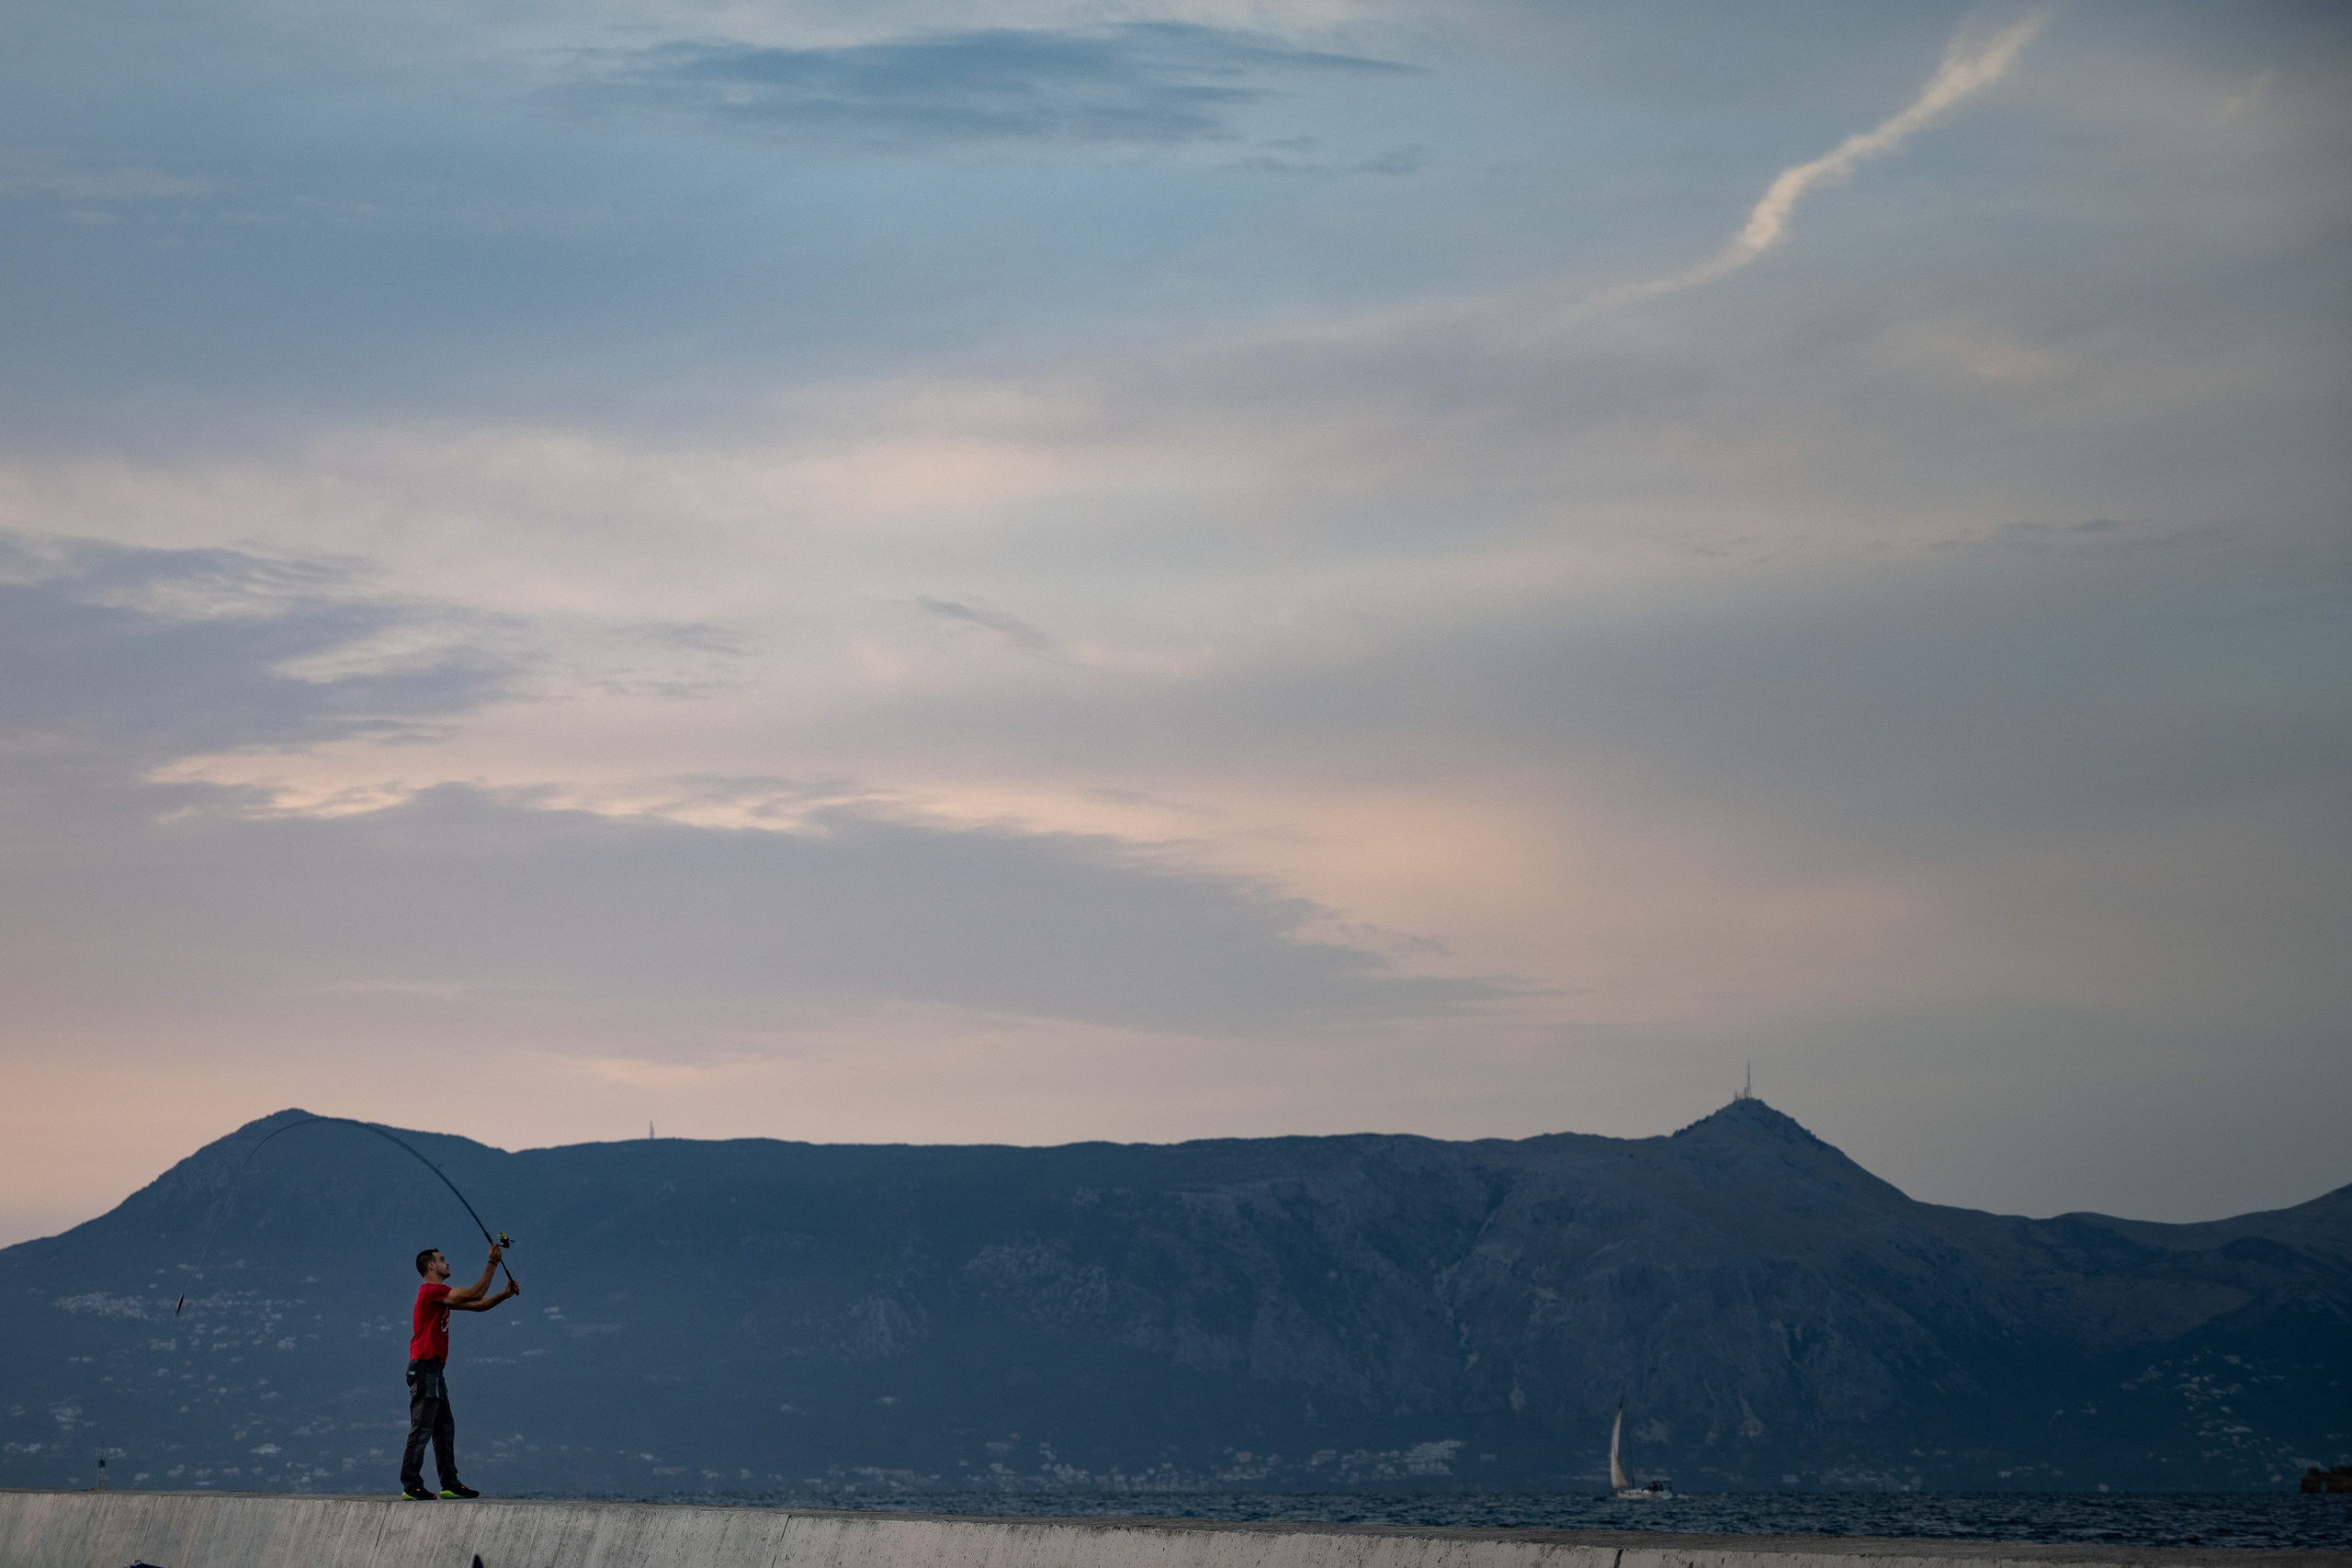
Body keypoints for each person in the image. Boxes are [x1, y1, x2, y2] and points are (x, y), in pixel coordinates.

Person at [401, 1242, 519, 1500]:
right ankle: (411, 1485)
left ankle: (449, 1483)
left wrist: (503, 1295)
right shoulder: (430, 1292)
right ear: (431, 1265)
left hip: (434, 1369)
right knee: (422, 1427)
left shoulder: (440, 1296)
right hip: (424, 1368)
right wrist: (493, 1262)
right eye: (442, 1259)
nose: (447, 1262)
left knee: (444, 1426)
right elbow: (475, 1293)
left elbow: (477, 1305)